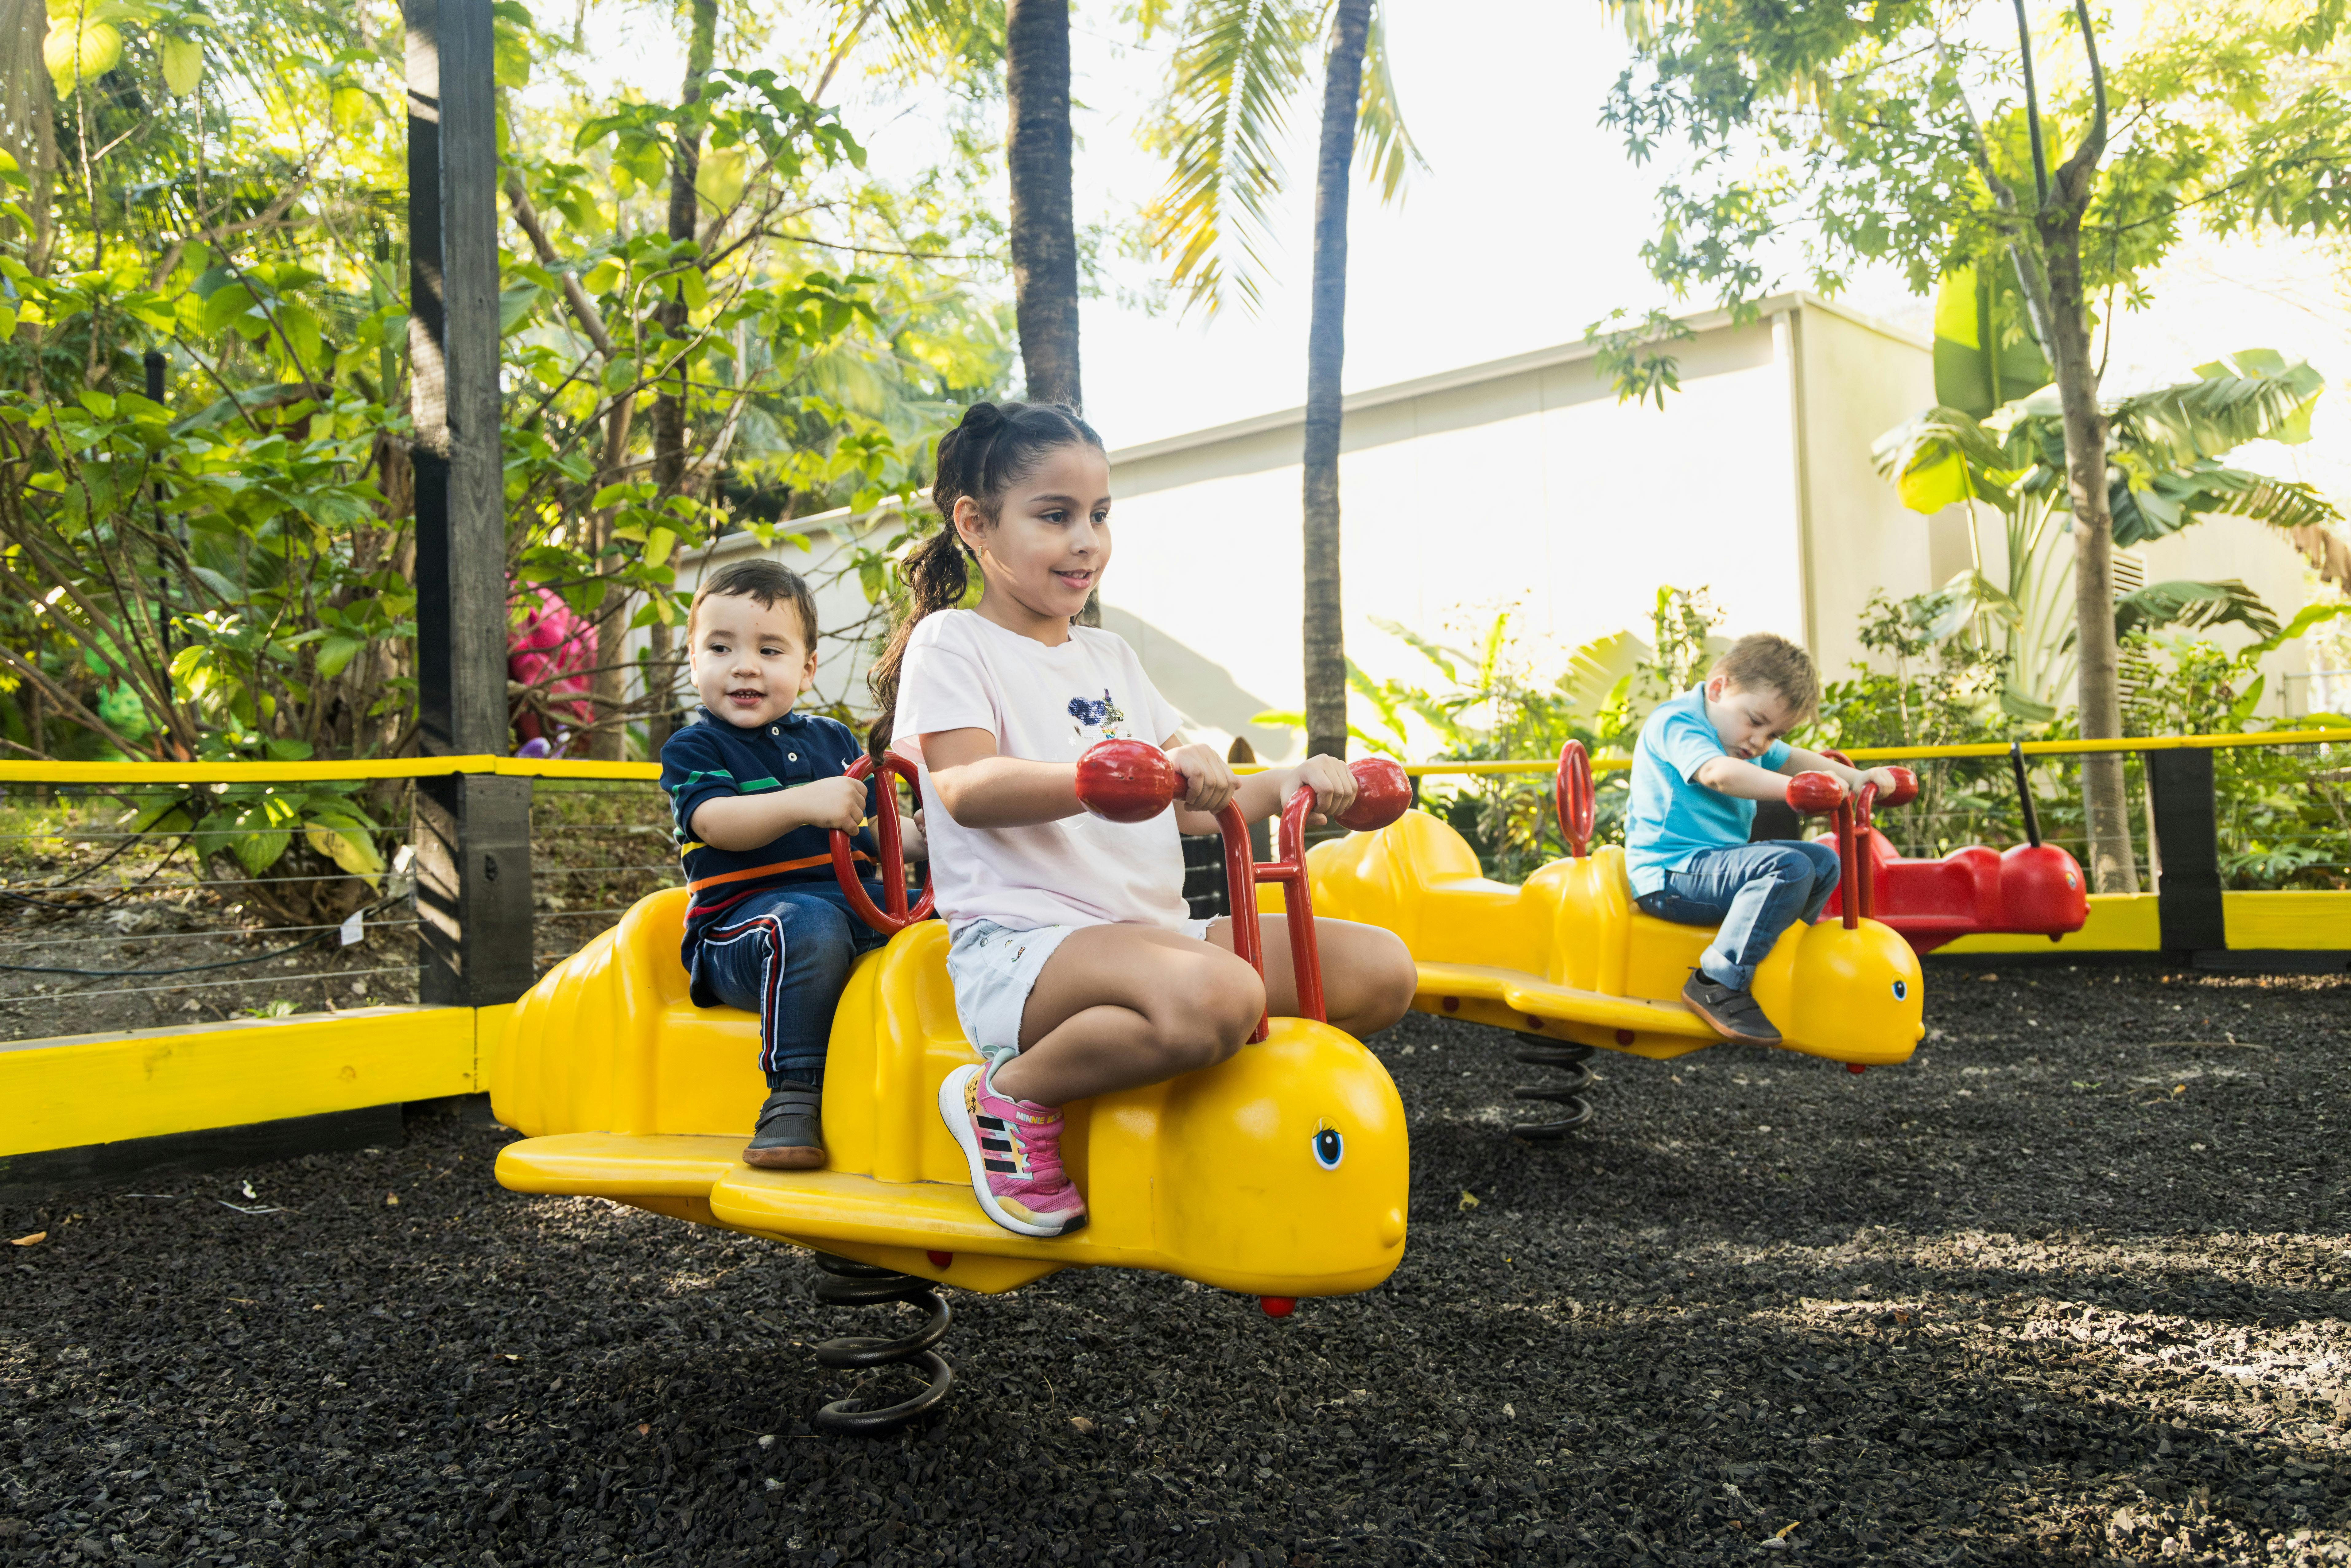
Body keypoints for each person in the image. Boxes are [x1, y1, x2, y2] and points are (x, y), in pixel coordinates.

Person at [868, 400, 1417, 1240]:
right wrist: (1093, 780)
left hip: (1151, 938)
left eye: (1098, 515)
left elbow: (1202, 808)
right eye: (1053, 516)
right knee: (1220, 995)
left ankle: (1190, 1079)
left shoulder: (1110, 656)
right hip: (1028, 945)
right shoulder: (955, 643)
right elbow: (965, 786)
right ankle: (1010, 1094)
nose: (1084, 540)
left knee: (1378, 969)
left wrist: (1294, 779)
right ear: (974, 525)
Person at [658, 559, 920, 1171]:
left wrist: (924, 837)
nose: (745, 665)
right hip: (740, 937)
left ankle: (928, 1081)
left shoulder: (833, 741)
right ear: (694, 663)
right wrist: (806, 803)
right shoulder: (694, 747)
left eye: (769, 650)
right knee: (804, 924)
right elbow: (715, 821)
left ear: (806, 670)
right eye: (720, 648)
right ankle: (793, 1097)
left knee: (927, 930)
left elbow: (871, 828)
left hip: (844, 909)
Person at [1625, 633, 1903, 1046]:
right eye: (1756, 722)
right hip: (1670, 875)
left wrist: (1855, 778)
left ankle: (1779, 966)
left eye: (1772, 734)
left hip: (1714, 868)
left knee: (1823, 862)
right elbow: (1717, 774)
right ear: (1719, 688)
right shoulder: (1677, 722)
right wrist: (1794, 791)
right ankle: (1716, 981)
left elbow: (1793, 759)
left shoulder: (1746, 741)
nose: (1760, 742)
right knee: (1788, 868)